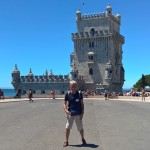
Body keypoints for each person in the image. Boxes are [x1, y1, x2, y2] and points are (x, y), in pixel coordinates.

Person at [63, 80, 86, 147]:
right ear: (70, 86)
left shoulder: (79, 93)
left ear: (76, 86)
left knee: (80, 128)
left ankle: (82, 138)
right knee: (67, 128)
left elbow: (82, 104)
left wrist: (82, 113)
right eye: (72, 86)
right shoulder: (67, 94)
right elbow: (64, 104)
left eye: (75, 86)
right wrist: (66, 110)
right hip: (70, 114)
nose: (73, 87)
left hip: (78, 114)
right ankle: (66, 141)